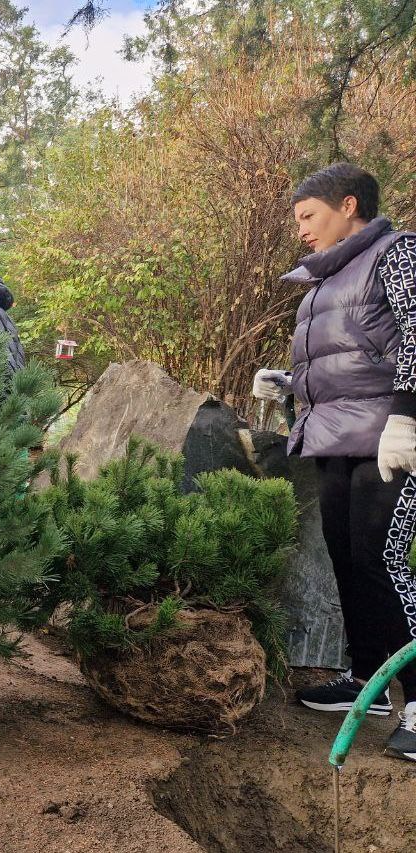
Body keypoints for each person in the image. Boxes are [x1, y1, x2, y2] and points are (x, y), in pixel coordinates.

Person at [252, 162, 416, 764]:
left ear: (349, 206)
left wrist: (408, 418)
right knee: (347, 556)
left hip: (392, 437)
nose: (300, 229)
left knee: (384, 561)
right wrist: (289, 382)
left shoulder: (398, 254)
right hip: (335, 434)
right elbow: (349, 354)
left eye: (308, 216)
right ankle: (369, 680)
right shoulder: (327, 276)